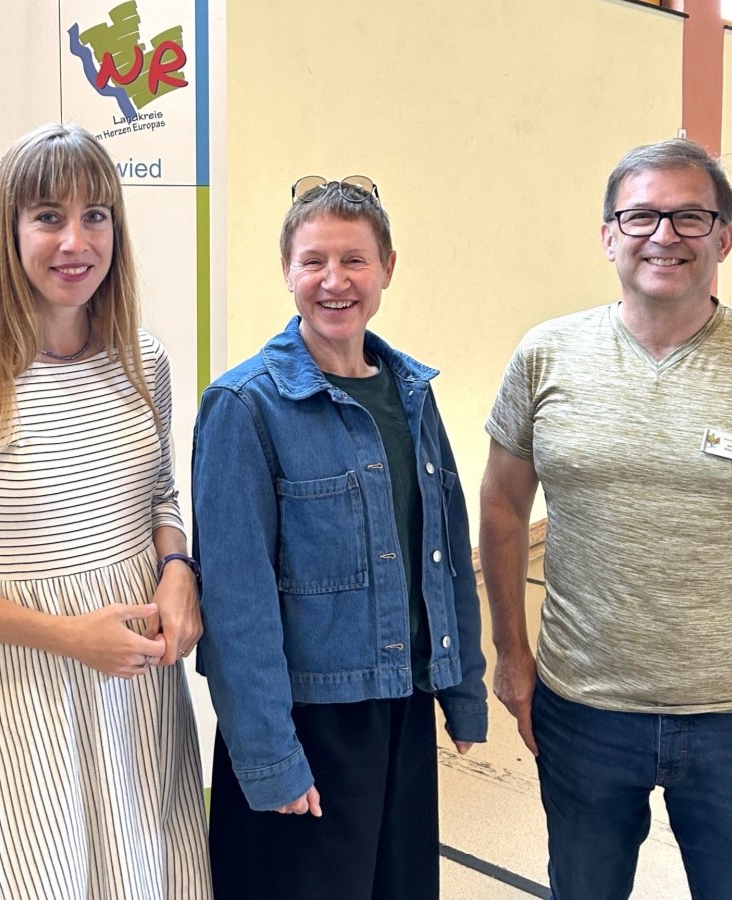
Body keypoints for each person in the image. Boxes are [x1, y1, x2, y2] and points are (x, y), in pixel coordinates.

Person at [479, 138, 732, 900]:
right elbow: (504, 508)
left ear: (725, 237)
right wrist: (512, 658)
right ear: (608, 234)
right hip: (583, 714)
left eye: (690, 216)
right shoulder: (546, 355)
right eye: (640, 215)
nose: (664, 235)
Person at [0, 123, 210, 900]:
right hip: (28, 702)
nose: (76, 240)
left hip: (139, 696)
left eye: (95, 215)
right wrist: (72, 638)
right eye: (47, 216)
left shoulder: (145, 360)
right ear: (9, 231)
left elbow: (160, 496)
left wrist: (178, 567)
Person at [192, 176, 487, 900]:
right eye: (313, 260)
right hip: (306, 724)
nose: (334, 281)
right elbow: (237, 602)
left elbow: (443, 548)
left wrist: (463, 689)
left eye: (354, 260)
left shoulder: (410, 393)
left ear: (387, 267)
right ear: (287, 271)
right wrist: (269, 757)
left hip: (401, 705)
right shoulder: (244, 406)